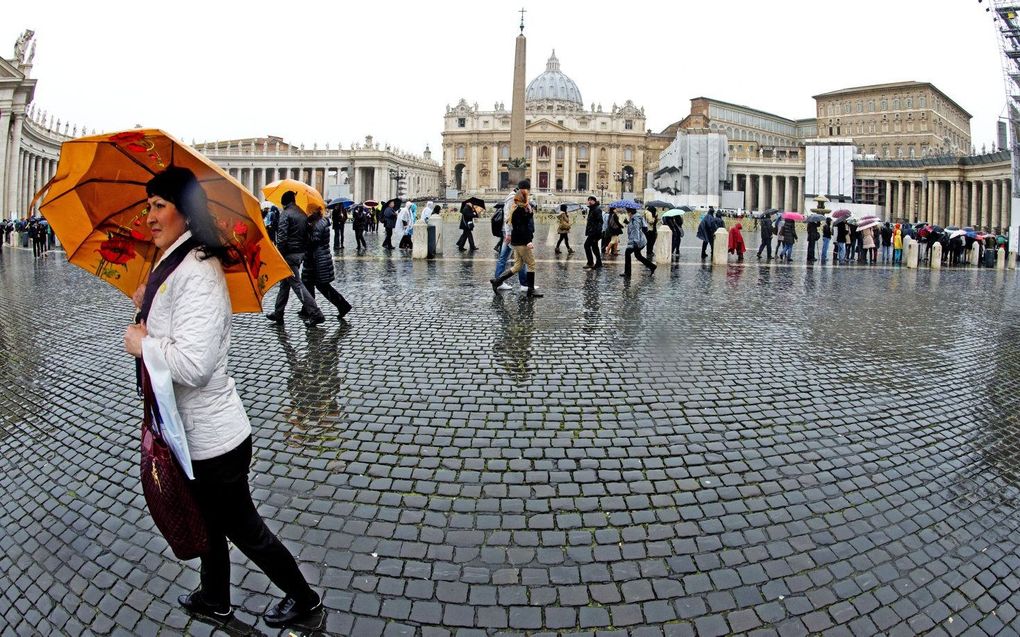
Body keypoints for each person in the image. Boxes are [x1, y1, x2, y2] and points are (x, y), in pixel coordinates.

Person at [123, 166, 321, 627]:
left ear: (184, 214)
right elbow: (177, 329)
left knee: (242, 527)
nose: (149, 216)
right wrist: (146, 305)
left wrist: (143, 344)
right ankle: (214, 595)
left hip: (215, 437)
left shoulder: (199, 272)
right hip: (188, 431)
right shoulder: (171, 264)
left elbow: (195, 364)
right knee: (209, 519)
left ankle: (304, 597)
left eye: (159, 206)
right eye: (147, 206)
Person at [265, 191, 325, 327]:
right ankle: (278, 312)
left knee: (297, 284)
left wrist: (278, 255)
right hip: (299, 253)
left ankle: (316, 313)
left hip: (288, 255)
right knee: (285, 284)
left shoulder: (286, 214)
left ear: (284, 202)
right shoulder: (302, 213)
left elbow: (282, 238)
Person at [490, 184, 542, 297]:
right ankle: (530, 290)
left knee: (518, 265)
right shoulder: (520, 211)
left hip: (516, 242)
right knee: (531, 264)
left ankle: (497, 281)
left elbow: (524, 221)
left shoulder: (518, 209)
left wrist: (530, 211)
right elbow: (523, 228)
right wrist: (528, 241)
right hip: (522, 242)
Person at [302, 208, 353, 321]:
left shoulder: (318, 223)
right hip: (315, 259)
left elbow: (314, 240)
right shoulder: (318, 221)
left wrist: (307, 232)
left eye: (308, 210)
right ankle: (308, 309)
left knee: (322, 286)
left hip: (318, 260)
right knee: (308, 283)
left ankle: (343, 306)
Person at [494, 182, 530, 290]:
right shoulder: (512, 198)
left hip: (512, 232)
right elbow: (508, 216)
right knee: (518, 257)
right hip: (512, 233)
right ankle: (523, 284)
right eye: (527, 190)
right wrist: (508, 234)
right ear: (523, 189)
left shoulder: (516, 196)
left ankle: (499, 281)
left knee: (507, 257)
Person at [621, 207, 656, 277]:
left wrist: (635, 242)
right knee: (638, 256)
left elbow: (636, 230)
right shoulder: (636, 217)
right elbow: (641, 226)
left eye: (627, 212)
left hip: (637, 241)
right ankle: (652, 266)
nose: (627, 214)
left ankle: (627, 273)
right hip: (640, 240)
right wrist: (628, 222)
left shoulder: (635, 219)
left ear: (630, 212)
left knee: (627, 253)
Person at [583, 196, 604, 269]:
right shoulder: (592, 209)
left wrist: (597, 233)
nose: (589, 201)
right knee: (594, 247)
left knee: (586, 245)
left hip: (594, 232)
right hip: (592, 231)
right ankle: (599, 263)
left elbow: (600, 222)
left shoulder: (597, 210)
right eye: (588, 200)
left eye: (591, 200)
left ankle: (590, 262)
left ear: (594, 201)